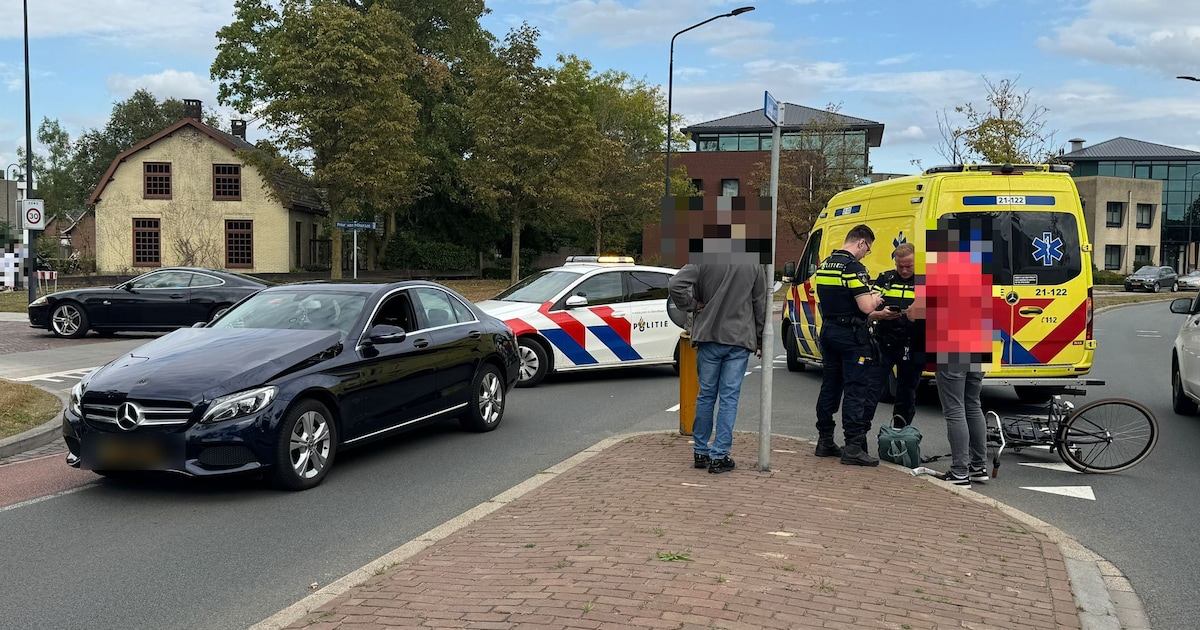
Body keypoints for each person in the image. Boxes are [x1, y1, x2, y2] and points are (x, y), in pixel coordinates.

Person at [907, 217, 995, 487]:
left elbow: (915, 313)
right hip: (978, 340)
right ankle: (979, 466)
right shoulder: (979, 272)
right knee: (973, 405)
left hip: (951, 343)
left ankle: (960, 471)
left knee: (954, 409)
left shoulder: (938, 273)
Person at [669, 264, 767, 474]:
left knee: (706, 395)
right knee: (729, 397)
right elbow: (760, 303)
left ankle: (700, 451)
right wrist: (759, 339)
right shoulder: (753, 264)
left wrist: (692, 305)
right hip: (738, 338)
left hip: (708, 336)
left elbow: (675, 284)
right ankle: (719, 455)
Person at [813, 225, 892, 466]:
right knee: (856, 388)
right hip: (851, 336)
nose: (866, 254)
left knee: (830, 386)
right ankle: (853, 447)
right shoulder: (853, 268)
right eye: (867, 249)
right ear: (861, 242)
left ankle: (825, 439)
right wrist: (876, 299)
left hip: (829, 331)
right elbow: (867, 307)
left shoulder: (826, 264)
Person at [863, 243, 922, 429]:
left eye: (908, 266)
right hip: (884, 342)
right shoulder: (885, 279)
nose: (904, 270)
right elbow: (868, 308)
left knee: (907, 392)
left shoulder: (926, 281)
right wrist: (881, 314)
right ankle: (858, 436)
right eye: (900, 266)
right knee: (871, 389)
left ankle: (900, 432)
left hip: (913, 344)